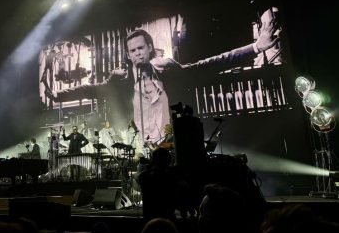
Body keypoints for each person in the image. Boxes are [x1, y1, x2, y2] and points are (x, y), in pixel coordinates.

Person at [45, 14, 278, 144]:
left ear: (150, 48)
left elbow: (208, 65)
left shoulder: (167, 68)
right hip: (140, 143)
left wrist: (256, 47)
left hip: (173, 139)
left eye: (140, 48)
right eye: (132, 51)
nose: (137, 53)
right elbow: (92, 89)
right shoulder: (121, 78)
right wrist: (60, 94)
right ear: (128, 55)